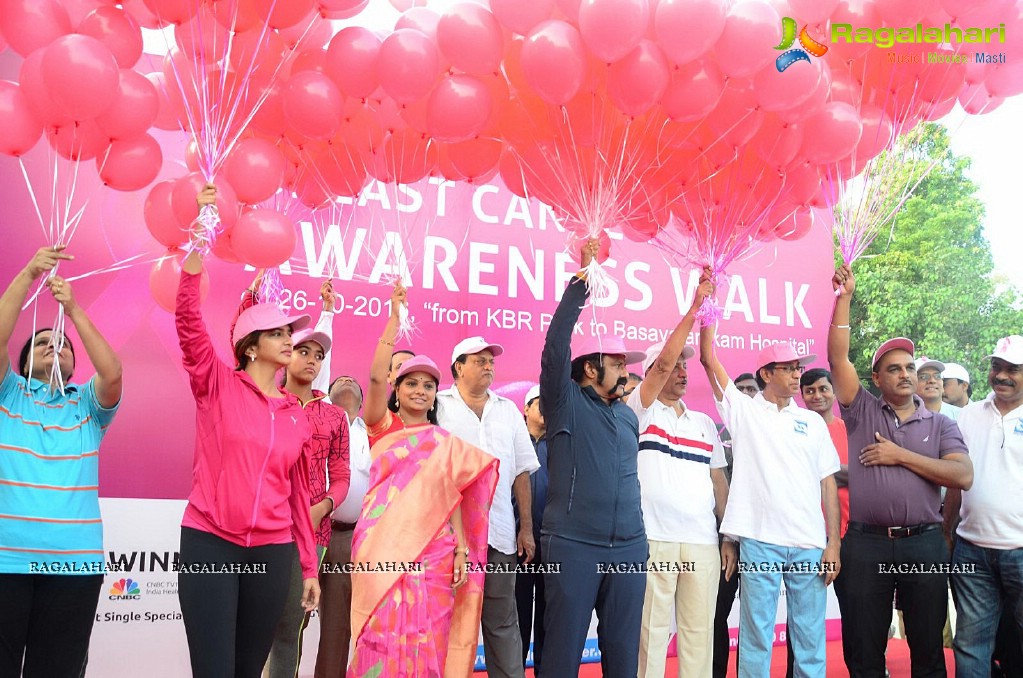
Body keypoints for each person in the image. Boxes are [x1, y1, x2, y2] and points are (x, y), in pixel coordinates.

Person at [175, 186, 320, 678]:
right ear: (251, 346)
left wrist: (306, 565)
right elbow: (189, 322)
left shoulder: (295, 412)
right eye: (279, 333)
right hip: (210, 542)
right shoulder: (216, 383)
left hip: (272, 552)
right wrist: (199, 242)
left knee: (246, 670)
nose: (289, 341)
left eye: (290, 333)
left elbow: (298, 494)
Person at [827, 263, 973, 678]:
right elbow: (836, 357)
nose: (906, 374)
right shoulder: (861, 411)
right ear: (876, 377)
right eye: (894, 368)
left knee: (928, 649)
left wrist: (900, 455)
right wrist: (845, 299)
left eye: (910, 367)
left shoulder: (941, 423)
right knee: (864, 649)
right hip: (866, 545)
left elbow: (962, 476)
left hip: (923, 544)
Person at [348, 281, 498, 676]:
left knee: (428, 636)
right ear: (397, 392)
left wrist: (462, 551)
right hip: (381, 547)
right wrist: (393, 321)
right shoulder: (381, 426)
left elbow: (452, 501)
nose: (420, 390)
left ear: (436, 395)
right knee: (379, 636)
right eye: (411, 383)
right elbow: (377, 378)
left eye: (428, 385)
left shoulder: (445, 444)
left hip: (436, 554)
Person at [0, 246, 123, 677]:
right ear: (21, 360)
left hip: (73, 566)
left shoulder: (87, 406)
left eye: (63, 345)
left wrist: (72, 310)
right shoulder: (8, 394)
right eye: (42, 342)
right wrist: (30, 271)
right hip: (5, 561)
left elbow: (112, 375)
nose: (54, 347)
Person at [699, 319, 840, 678]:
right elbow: (707, 358)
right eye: (789, 369)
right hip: (760, 541)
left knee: (809, 639)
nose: (797, 375)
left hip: (809, 543)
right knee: (757, 637)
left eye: (799, 368)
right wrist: (707, 314)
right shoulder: (744, 411)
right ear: (766, 373)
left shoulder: (813, 423)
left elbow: (828, 484)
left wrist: (833, 543)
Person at [539, 239, 648, 677]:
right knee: (562, 658)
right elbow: (554, 348)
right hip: (573, 545)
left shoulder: (627, 417)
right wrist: (583, 281)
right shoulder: (563, 400)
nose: (626, 371)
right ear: (589, 368)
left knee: (623, 659)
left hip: (630, 547)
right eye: (618, 363)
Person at [632, 272, 729, 678]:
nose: (683, 372)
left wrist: (729, 536)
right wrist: (694, 310)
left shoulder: (705, 423)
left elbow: (719, 485)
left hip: (702, 542)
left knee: (697, 634)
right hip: (654, 537)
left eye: (687, 367)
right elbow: (658, 371)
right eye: (675, 366)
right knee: (651, 634)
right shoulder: (638, 410)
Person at [437, 336, 539, 678]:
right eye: (478, 360)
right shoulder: (438, 407)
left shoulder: (508, 411)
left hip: (500, 538)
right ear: (458, 367)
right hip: (448, 542)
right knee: (449, 625)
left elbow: (522, 472)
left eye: (490, 360)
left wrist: (525, 527)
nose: (488, 365)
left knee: (501, 623)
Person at [266, 282, 351, 678]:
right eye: (304, 351)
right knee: (253, 627)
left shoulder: (333, 415)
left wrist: (322, 507)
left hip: (311, 536)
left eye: (319, 355)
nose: (313, 360)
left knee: (290, 628)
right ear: (284, 354)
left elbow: (342, 474)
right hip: (259, 530)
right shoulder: (265, 403)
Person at [945, 335, 1023, 675]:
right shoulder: (969, 415)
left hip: (1020, 549)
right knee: (971, 644)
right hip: (971, 549)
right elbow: (955, 482)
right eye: (997, 367)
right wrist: (947, 532)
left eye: (1013, 369)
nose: (1002, 375)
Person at [316, 374, 371, 678]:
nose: (348, 379)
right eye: (341, 379)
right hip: (307, 531)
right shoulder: (317, 423)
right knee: (286, 623)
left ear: (363, 402)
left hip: (348, 537)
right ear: (327, 393)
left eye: (353, 380)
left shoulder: (372, 433)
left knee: (336, 627)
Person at [712, 372, 758, 678]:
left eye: (750, 389)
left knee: (755, 620)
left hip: (762, 539)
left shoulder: (774, 433)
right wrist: (726, 533)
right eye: (738, 389)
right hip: (723, 540)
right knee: (716, 616)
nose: (743, 394)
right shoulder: (713, 433)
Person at [516, 384, 548, 675]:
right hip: (518, 548)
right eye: (540, 403)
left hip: (553, 546)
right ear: (526, 408)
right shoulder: (514, 441)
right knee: (518, 617)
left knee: (549, 621)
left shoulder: (563, 445)